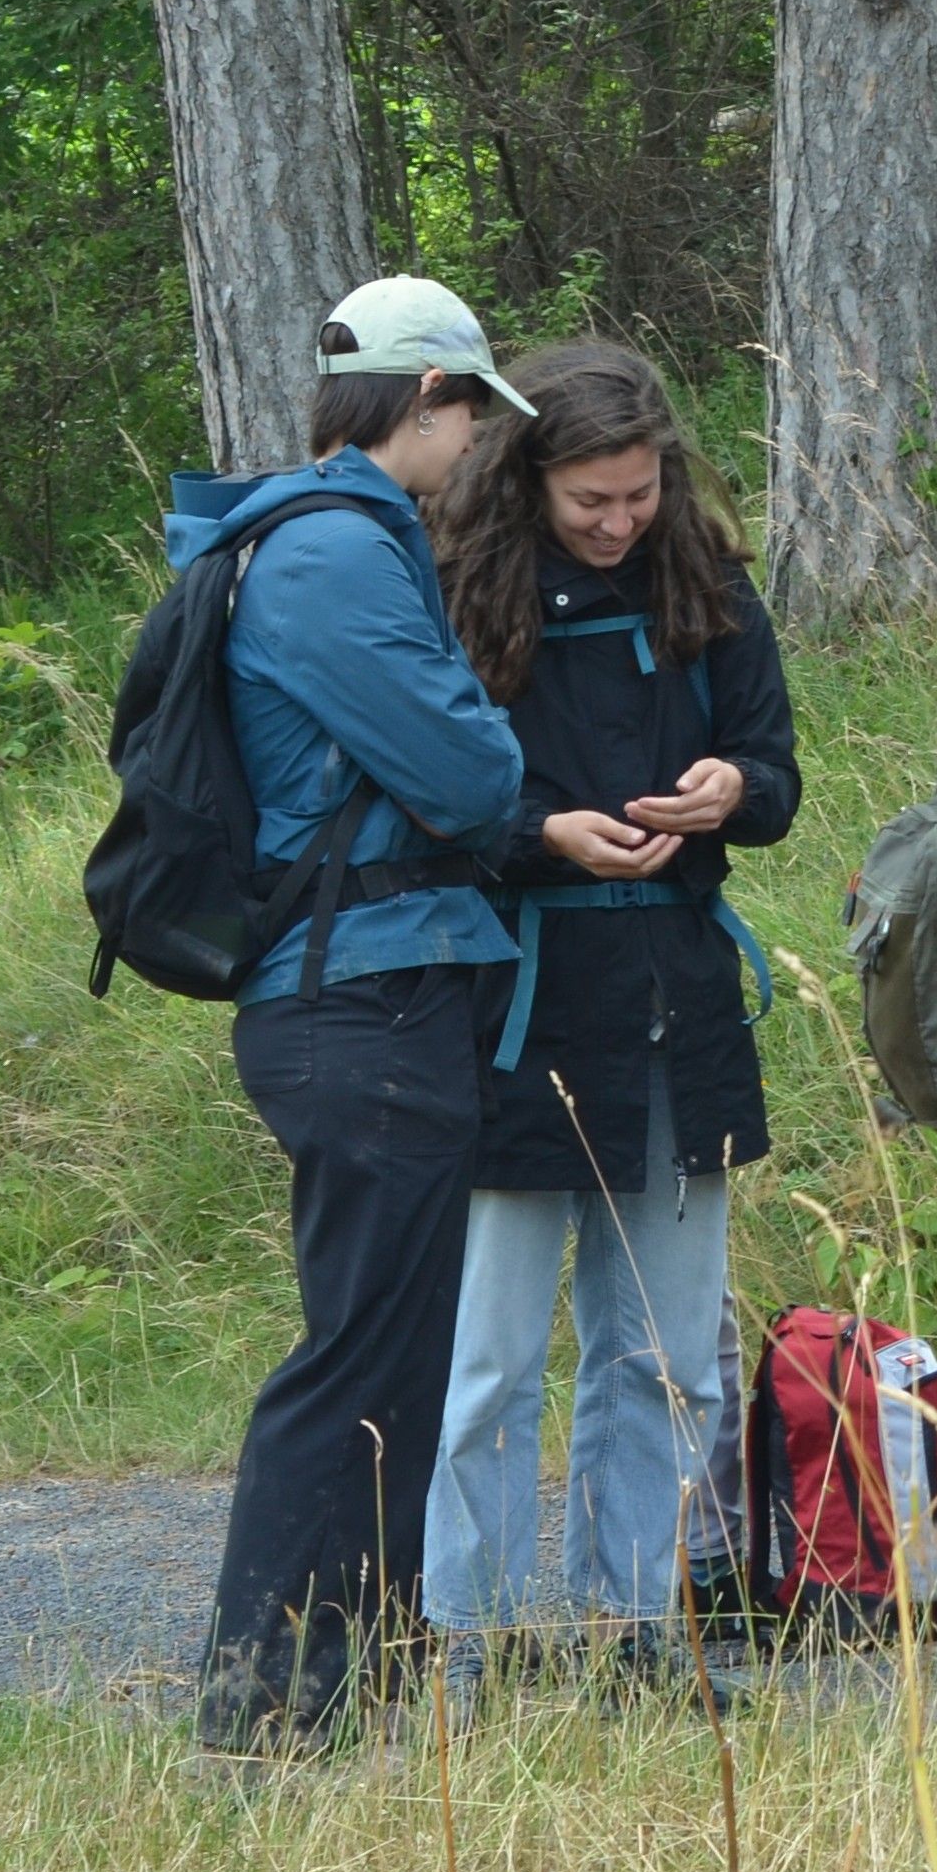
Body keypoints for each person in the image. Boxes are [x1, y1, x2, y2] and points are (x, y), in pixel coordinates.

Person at [183, 275, 537, 1755]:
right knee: (357, 1357)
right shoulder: (331, 552)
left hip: (379, 987)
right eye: (471, 419)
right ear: (428, 397)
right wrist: (495, 747)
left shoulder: (342, 537)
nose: (475, 456)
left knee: (393, 1350)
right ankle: (261, 1700)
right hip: (360, 996)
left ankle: (348, 1684)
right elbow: (470, 776)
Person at [422, 343, 799, 1681]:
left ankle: (632, 1624)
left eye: (637, 494)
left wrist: (726, 793)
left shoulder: (707, 581)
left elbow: (775, 774)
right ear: (528, 480)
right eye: (591, 499)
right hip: (517, 1006)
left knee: (664, 1352)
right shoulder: (462, 591)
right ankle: (462, 1634)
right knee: (493, 1360)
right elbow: (437, 809)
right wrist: (546, 835)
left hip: (676, 1003)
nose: (618, 520)